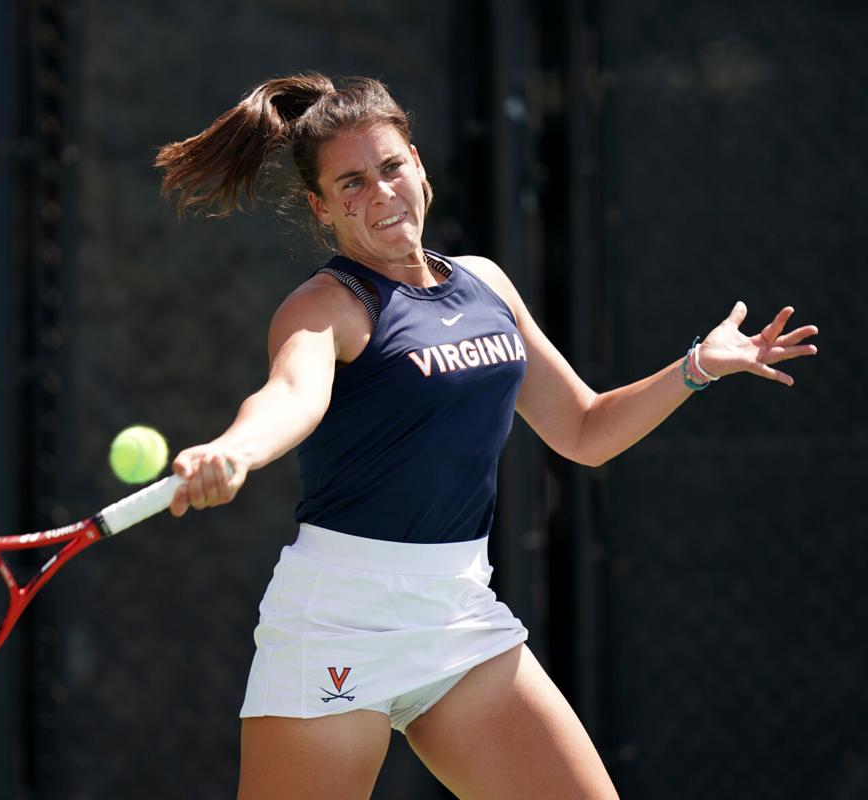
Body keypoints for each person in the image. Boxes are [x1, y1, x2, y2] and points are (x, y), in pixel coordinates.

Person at [155, 73, 818, 799]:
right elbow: (290, 395)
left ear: (421, 171)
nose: (378, 192)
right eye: (351, 183)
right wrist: (236, 450)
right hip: (339, 622)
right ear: (320, 209)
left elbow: (583, 429)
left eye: (390, 167)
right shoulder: (326, 307)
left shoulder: (485, 285)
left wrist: (695, 369)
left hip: (458, 614)